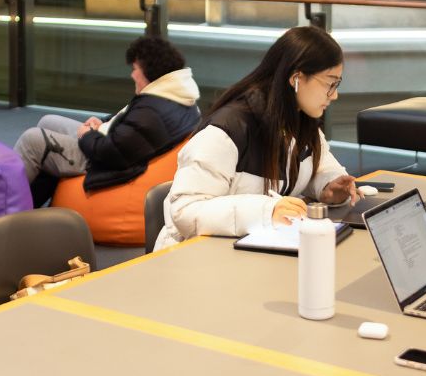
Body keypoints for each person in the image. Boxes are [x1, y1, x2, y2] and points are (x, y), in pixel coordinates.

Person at [153, 26, 359, 251]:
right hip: (189, 256)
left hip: (247, 250)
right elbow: (185, 211)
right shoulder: (228, 130)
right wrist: (267, 211)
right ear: (297, 78)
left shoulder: (303, 123)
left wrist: (328, 186)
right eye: (330, 84)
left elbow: (314, 170)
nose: (335, 95)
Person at [14, 36, 201, 206]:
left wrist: (87, 135)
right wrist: (101, 123)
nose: (132, 75)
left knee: (32, 141)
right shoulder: (172, 95)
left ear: (149, 72)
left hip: (104, 163)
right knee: (49, 121)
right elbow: (130, 123)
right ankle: (31, 201)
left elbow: (113, 152)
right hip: (118, 148)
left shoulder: (151, 110)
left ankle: (0, 211)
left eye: (135, 69)